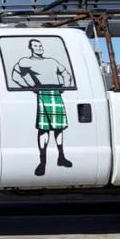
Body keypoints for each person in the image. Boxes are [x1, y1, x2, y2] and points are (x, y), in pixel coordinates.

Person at [11, 38, 74, 176]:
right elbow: (15, 75)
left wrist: (65, 85)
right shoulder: (26, 61)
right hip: (43, 92)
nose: (39, 48)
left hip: (56, 92)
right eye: (35, 46)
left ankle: (61, 157)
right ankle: (43, 161)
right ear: (31, 48)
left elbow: (65, 73)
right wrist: (30, 87)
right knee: (44, 129)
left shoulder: (51, 61)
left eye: (40, 45)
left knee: (59, 127)